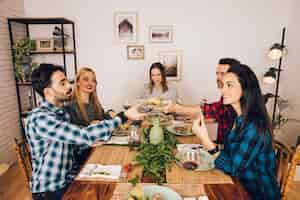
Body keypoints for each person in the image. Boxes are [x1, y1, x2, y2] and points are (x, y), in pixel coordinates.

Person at [26, 63, 143, 200]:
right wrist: (122, 117)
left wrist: (88, 143)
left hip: (69, 178)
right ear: (48, 92)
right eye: (62, 84)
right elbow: (84, 135)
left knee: (120, 183)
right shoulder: (40, 118)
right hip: (50, 190)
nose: (70, 86)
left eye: (67, 82)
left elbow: (72, 142)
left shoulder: (62, 113)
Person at [192, 64, 280, 199]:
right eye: (223, 85)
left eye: (230, 85)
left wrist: (206, 140)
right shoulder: (238, 118)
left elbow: (232, 168)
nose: (223, 91)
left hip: (256, 194)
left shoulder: (255, 125)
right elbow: (229, 154)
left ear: (245, 88)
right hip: (237, 184)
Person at [166, 58, 240, 144]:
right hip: (221, 144)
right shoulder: (226, 95)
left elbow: (211, 109)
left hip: (228, 149)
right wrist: (199, 119)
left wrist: (176, 108)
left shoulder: (236, 101)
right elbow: (219, 114)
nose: (218, 77)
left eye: (223, 74)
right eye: (217, 73)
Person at [65, 67, 116, 167]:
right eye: (85, 79)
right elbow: (73, 138)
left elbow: (102, 120)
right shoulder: (71, 106)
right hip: (83, 157)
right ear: (78, 82)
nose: (90, 83)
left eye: (93, 80)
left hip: (98, 150)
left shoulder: (94, 103)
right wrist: (91, 126)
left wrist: (110, 114)